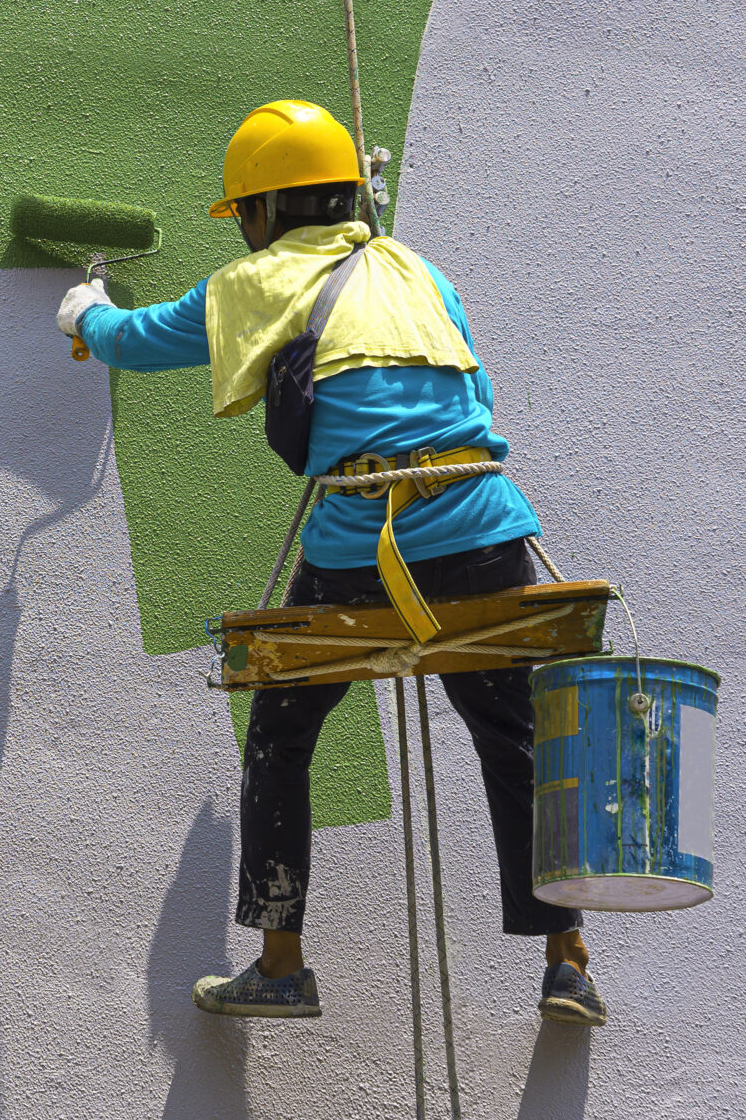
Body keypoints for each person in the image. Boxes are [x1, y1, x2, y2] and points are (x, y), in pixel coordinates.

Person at [55, 99, 606, 1027]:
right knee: (513, 737)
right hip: (484, 531)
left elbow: (140, 342)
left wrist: (85, 312)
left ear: (262, 211)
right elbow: (471, 387)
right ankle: (569, 960)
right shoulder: (419, 272)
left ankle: (280, 961)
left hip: (361, 545)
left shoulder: (254, 281)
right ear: (353, 192)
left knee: (282, 730)